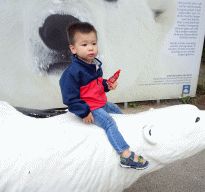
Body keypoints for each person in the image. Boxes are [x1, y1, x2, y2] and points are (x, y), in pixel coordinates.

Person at [59, 22, 149, 170]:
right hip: (89, 107)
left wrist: (107, 85)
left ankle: (126, 134)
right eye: (84, 44)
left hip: (99, 102)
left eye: (93, 43)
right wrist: (84, 111)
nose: (90, 47)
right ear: (73, 49)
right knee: (109, 122)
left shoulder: (92, 64)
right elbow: (70, 98)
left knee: (115, 109)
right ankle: (125, 156)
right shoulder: (72, 72)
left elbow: (96, 85)